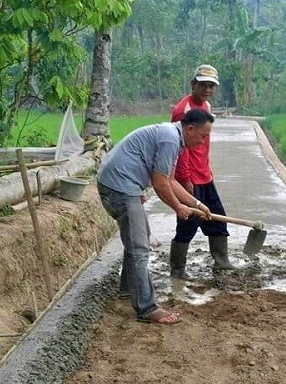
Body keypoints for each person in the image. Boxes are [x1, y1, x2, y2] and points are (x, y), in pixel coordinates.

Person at [97, 108, 214, 325]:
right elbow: (160, 184)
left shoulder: (173, 138)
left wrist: (197, 203)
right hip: (119, 187)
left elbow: (170, 181)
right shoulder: (170, 140)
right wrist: (179, 208)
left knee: (139, 238)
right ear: (189, 129)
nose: (202, 142)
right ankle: (146, 308)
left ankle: (127, 290)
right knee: (139, 246)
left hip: (121, 185)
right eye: (202, 136)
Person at [168, 64, 234, 280]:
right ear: (193, 84)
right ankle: (177, 270)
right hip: (189, 178)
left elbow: (202, 144)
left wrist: (207, 170)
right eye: (203, 85)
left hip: (205, 175)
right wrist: (186, 179)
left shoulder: (205, 106)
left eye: (211, 86)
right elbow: (179, 147)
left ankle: (222, 263)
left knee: (217, 219)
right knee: (188, 223)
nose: (207, 90)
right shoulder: (182, 110)